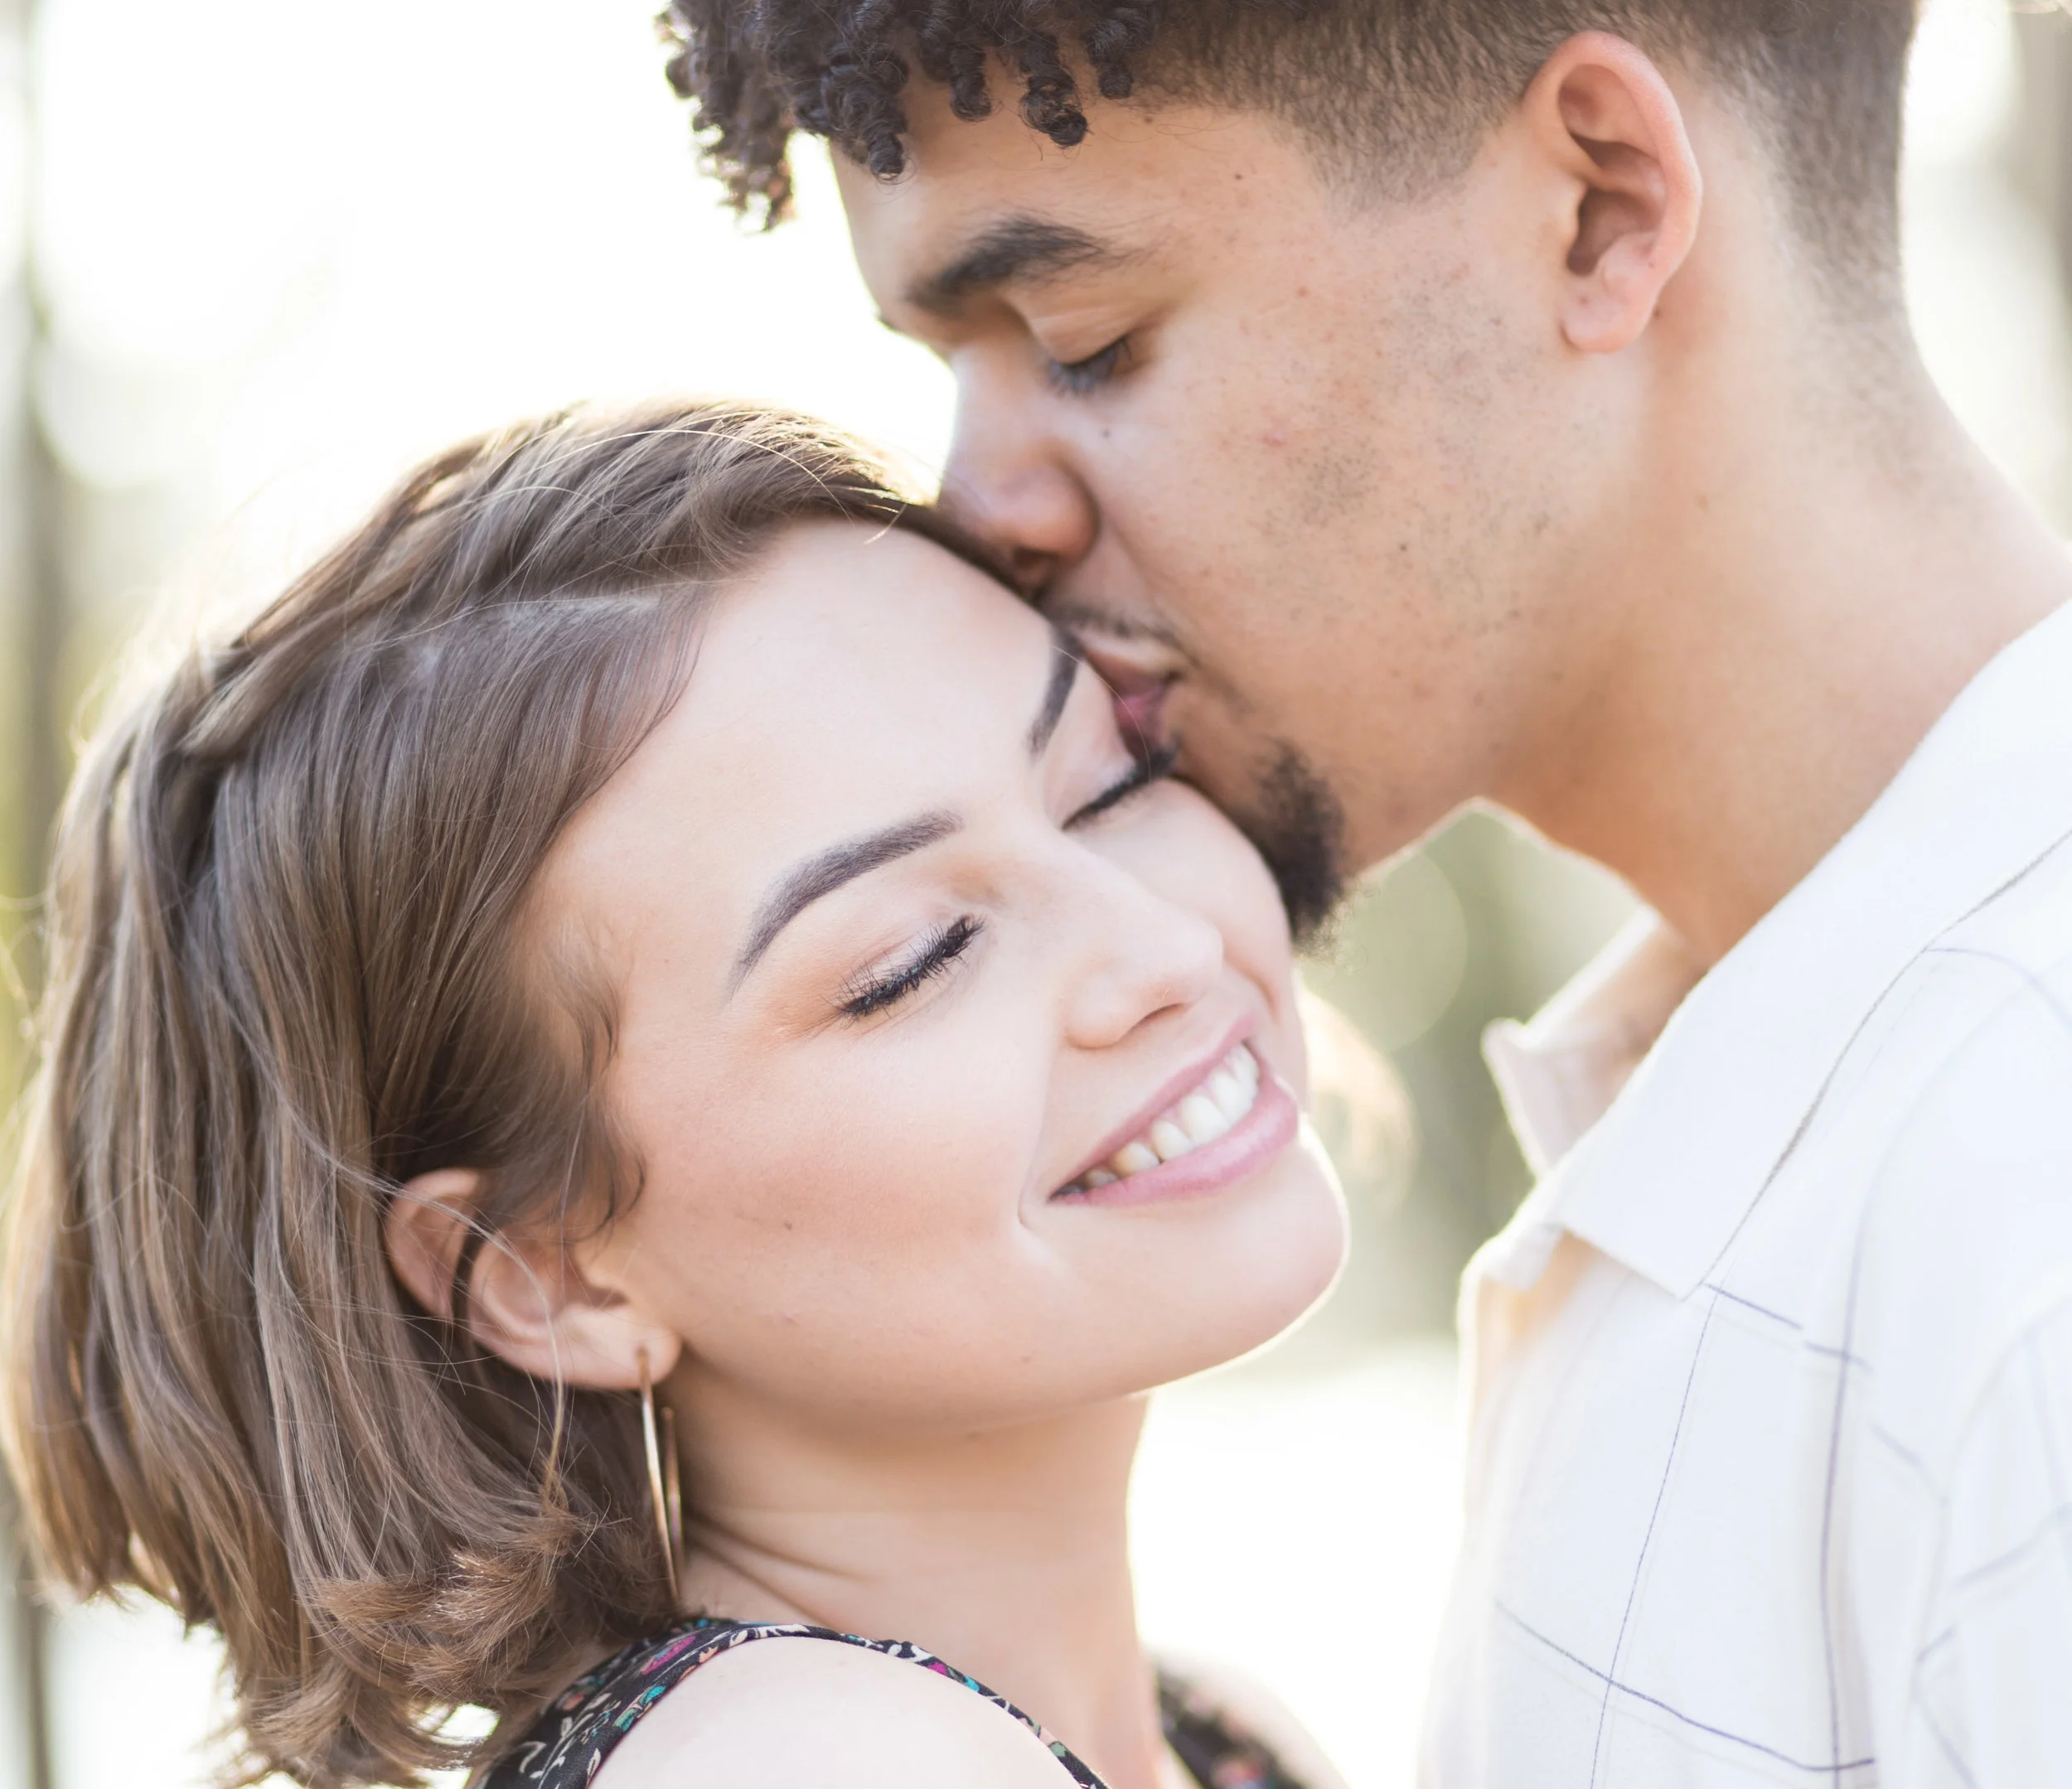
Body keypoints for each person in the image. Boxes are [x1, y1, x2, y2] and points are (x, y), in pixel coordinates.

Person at [590, 0, 2072, 1782]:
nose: (981, 505)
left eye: (1082, 338)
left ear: (1595, 205)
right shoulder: (1742, 1127)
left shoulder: (2019, 1250)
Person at [1, 404, 1353, 1789]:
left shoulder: (1203, 1737)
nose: (1168, 946)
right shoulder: (818, 1766)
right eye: (913, 961)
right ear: (546, 1274)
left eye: (1113, 783)